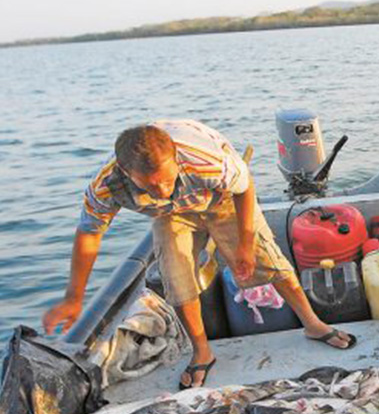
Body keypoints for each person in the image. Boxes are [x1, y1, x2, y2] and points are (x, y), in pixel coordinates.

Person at [42, 120, 356, 390]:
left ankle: (313, 324)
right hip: (170, 215)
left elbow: (244, 189)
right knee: (175, 276)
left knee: (268, 259)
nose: (162, 190)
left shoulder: (206, 160)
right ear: (125, 172)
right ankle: (202, 352)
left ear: (176, 159)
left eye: (167, 180)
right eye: (150, 186)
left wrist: (245, 246)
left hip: (221, 200)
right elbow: (89, 235)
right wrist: (74, 297)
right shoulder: (105, 186)